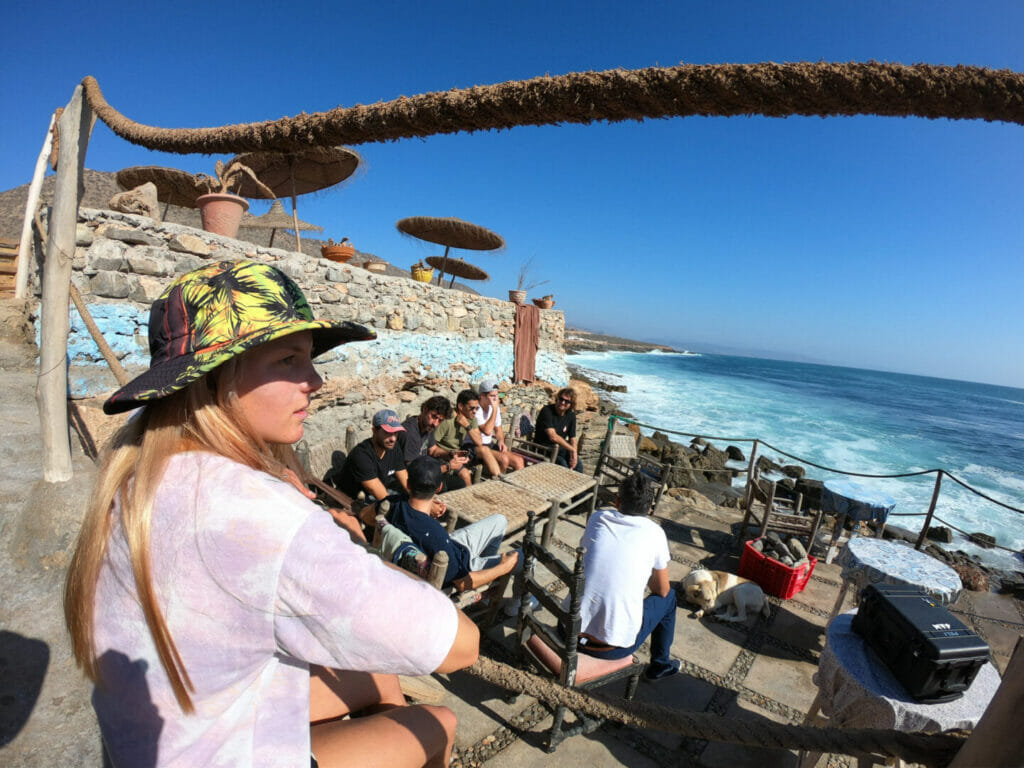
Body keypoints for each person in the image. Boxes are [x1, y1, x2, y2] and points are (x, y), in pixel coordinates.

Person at [63, 260, 479, 768]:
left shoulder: (137, 472)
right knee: (440, 722)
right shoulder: (258, 511)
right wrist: (348, 542)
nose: (317, 381)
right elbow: (461, 645)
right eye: (288, 360)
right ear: (216, 380)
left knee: (383, 675)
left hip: (161, 736)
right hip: (220, 753)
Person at [575, 471, 680, 681]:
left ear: (617, 501)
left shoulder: (598, 518)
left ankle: (661, 664)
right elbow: (662, 590)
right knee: (669, 599)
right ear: (650, 508)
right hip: (611, 648)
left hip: (567, 628)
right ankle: (660, 664)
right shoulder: (655, 533)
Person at [364, 456, 519, 591]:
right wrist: (503, 568)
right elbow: (462, 584)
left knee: (500, 520)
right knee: (523, 558)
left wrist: (428, 507)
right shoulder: (435, 534)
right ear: (438, 488)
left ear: (409, 484)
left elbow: (365, 514)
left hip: (451, 545)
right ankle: (506, 596)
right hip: (461, 565)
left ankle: (485, 576)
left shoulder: (392, 504)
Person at [331, 409, 409, 500]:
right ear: (374, 431)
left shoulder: (394, 447)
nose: (393, 439)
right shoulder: (361, 455)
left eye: (395, 433)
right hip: (354, 500)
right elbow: (379, 493)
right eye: (387, 433)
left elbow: (404, 478)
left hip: (380, 491)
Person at [398, 395, 471, 490]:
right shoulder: (409, 433)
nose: (436, 423)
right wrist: (448, 467)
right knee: (447, 486)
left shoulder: (428, 427)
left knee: (460, 482)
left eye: (440, 420)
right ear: (425, 409)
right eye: (433, 417)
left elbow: (433, 450)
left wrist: (451, 453)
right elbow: (414, 471)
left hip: (425, 470)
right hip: (411, 479)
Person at [433, 389, 503, 478]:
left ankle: (499, 477)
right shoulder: (447, 420)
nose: (475, 411)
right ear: (461, 406)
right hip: (445, 454)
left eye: (477, 408)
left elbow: (479, 442)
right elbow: (432, 445)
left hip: (460, 451)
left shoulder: (472, 418)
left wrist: (467, 425)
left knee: (486, 450)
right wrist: (449, 454)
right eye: (472, 408)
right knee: (465, 474)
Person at [474, 379, 525, 474]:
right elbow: (487, 431)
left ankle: (517, 486)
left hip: (489, 444)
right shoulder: (476, 409)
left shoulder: (494, 407)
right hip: (477, 447)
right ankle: (496, 484)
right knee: (504, 459)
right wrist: (494, 409)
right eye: (492, 396)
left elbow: (498, 429)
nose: (496, 399)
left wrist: (501, 441)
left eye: (497, 395)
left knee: (519, 461)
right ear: (482, 396)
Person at [535, 387, 583, 471]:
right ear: (557, 398)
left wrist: (574, 454)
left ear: (571, 404)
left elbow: (573, 438)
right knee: (563, 464)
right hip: (544, 448)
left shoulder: (571, 416)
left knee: (578, 465)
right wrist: (572, 449)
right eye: (561, 399)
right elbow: (552, 436)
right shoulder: (547, 411)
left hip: (561, 449)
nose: (563, 402)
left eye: (567, 401)